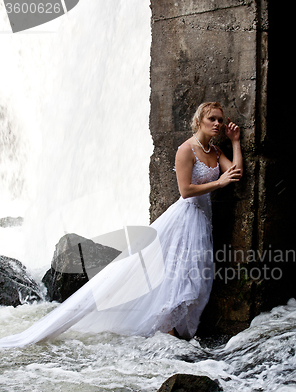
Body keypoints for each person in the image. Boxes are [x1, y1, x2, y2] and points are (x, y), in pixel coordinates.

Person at [0, 101, 242, 349]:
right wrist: (218, 183)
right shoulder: (186, 150)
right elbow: (185, 190)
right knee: (177, 273)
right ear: (199, 119)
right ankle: (167, 331)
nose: (217, 124)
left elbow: (236, 172)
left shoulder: (213, 150)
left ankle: (177, 330)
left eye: (220, 120)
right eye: (212, 118)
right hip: (184, 218)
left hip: (202, 220)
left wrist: (234, 141)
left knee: (196, 275)